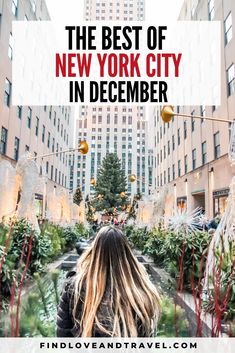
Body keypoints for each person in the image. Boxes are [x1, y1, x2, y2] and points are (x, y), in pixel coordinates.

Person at [57, 226, 161, 337]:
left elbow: (63, 335)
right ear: (126, 253)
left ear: (94, 250)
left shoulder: (74, 288)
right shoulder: (142, 292)